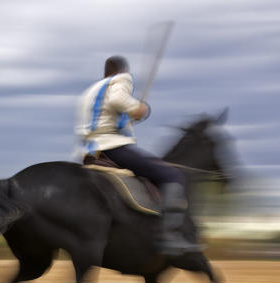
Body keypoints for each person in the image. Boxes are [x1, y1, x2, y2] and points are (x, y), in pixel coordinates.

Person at [75, 55, 199, 256]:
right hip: (113, 148)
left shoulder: (91, 91)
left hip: (90, 151)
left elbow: (109, 115)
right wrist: (139, 108)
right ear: (122, 70)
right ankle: (170, 237)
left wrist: (132, 116)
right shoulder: (122, 80)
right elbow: (118, 100)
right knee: (172, 176)